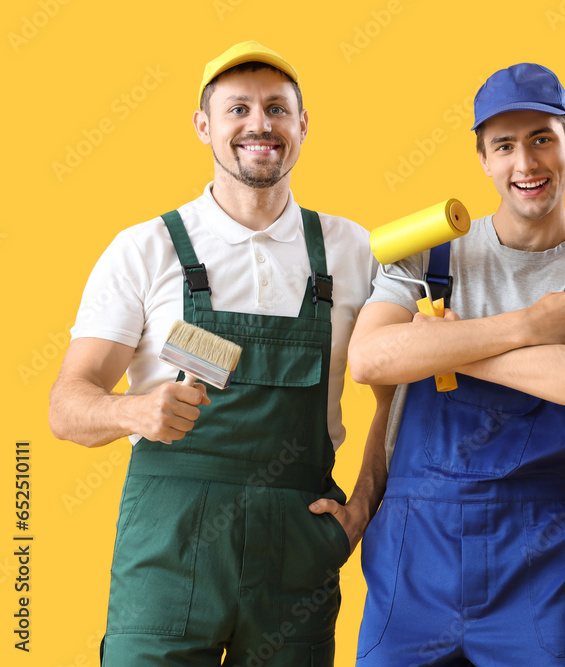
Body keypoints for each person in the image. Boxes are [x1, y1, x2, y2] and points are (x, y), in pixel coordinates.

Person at [48, 41, 390, 666]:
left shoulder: (352, 250)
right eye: (238, 109)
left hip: (299, 541)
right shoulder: (145, 248)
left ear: (302, 126)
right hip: (170, 543)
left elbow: (402, 387)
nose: (259, 124)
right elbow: (66, 407)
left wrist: (364, 501)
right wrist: (132, 412)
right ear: (204, 126)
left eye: (277, 109)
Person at [343, 63, 565, 665]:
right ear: (483, 157)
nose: (526, 164)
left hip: (537, 555)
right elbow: (370, 359)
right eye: (504, 146)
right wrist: (528, 329)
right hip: (413, 554)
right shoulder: (426, 255)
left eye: (542, 139)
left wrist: (448, 346)